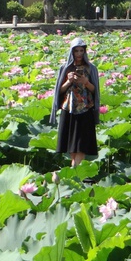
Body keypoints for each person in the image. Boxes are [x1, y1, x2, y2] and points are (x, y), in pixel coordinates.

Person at [50, 37, 101, 167]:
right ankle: (74, 171)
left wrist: (86, 82)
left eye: (81, 51)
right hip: (69, 109)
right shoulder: (65, 68)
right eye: (76, 51)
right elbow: (59, 91)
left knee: (82, 145)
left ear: (85, 51)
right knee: (72, 147)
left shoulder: (91, 68)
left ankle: (73, 170)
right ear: (71, 52)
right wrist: (68, 81)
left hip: (85, 109)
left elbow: (95, 90)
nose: (79, 54)